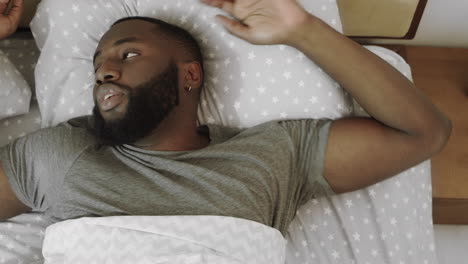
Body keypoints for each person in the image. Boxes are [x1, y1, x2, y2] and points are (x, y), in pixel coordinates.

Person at [0, 0, 451, 236]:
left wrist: (302, 31)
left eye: (129, 53)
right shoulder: (56, 155)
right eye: (98, 63)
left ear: (189, 74)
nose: (104, 71)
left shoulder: (268, 158)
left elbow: (424, 133)